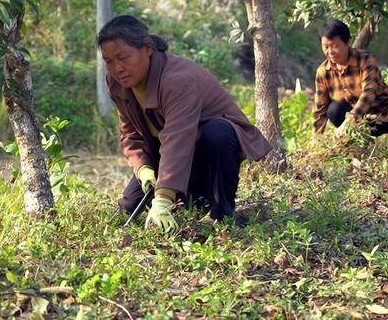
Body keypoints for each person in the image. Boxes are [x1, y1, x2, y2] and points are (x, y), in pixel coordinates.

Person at [98, 15, 271, 232]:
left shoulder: (178, 80)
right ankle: (189, 197)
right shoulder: (116, 82)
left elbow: (177, 137)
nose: (117, 68)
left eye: (124, 57)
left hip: (205, 151)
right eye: (109, 61)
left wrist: (163, 198)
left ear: (147, 48)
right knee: (128, 207)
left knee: (218, 132)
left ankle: (221, 212)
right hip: (165, 152)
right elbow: (129, 132)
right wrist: (143, 168)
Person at [312, 19, 388, 158]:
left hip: (386, 116)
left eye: (334, 46)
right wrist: (315, 142)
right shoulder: (323, 72)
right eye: (325, 47)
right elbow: (320, 109)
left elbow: (369, 94)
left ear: (348, 42)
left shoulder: (366, 59)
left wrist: (348, 121)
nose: (330, 51)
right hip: (360, 124)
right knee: (333, 109)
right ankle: (357, 145)